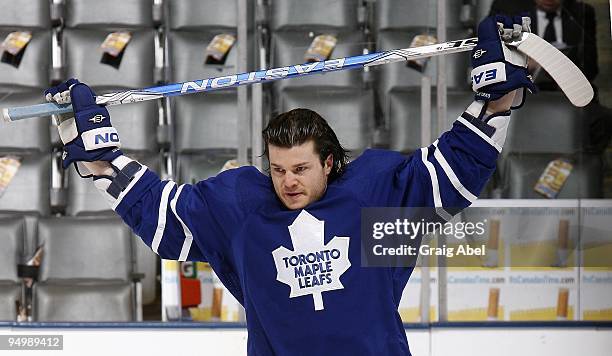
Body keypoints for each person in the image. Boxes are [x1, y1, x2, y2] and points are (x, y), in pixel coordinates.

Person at [45, 16, 535, 356]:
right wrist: (102, 155)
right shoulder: (241, 207)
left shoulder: (373, 198)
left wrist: (496, 99)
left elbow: (456, 167)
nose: (288, 182)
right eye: (278, 170)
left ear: (329, 162)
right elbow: (164, 216)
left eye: (301, 169)